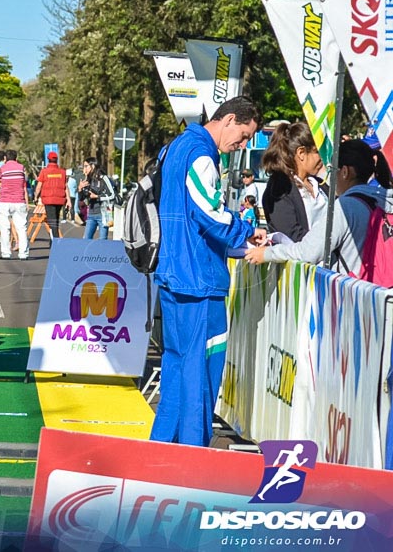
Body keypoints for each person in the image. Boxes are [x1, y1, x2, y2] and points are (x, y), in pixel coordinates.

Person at [153, 97, 266, 447]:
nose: (243, 145)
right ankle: (192, 452)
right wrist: (247, 230)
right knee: (199, 374)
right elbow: (210, 214)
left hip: (175, 273)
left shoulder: (174, 148)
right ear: (229, 119)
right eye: (244, 135)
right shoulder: (201, 154)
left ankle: (161, 449)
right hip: (199, 279)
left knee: (176, 368)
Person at [246, 139, 393, 278]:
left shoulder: (345, 206)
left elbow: (308, 252)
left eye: (333, 170)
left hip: (358, 292)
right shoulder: (385, 199)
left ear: (345, 172)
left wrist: (266, 253)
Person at [260, 122, 326, 241]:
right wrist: (327, 246)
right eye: (317, 152)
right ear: (301, 153)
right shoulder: (279, 188)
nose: (322, 157)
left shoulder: (321, 184)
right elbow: (291, 234)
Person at [0, 150, 29, 260]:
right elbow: (24, 185)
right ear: (16, 158)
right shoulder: (21, 167)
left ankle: (6, 253)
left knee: (5, 228)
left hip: (4, 201)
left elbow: (0, 184)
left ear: (5, 158)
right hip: (19, 200)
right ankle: (23, 254)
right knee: (22, 228)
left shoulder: (2, 168)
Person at [33, 151, 68, 239]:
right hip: (60, 200)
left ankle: (55, 242)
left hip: (48, 200)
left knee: (52, 222)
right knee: (55, 220)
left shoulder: (44, 172)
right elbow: (66, 187)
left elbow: (38, 187)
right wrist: (69, 201)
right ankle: (53, 241)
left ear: (48, 160)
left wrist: (35, 197)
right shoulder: (62, 172)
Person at [78, 158, 113, 240]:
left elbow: (112, 195)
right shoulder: (87, 180)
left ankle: (101, 253)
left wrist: (97, 196)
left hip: (104, 215)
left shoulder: (103, 178)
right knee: (86, 240)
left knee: (102, 241)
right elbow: (82, 198)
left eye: (86, 166)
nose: (84, 169)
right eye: (83, 166)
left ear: (93, 166)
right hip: (91, 214)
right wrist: (80, 189)